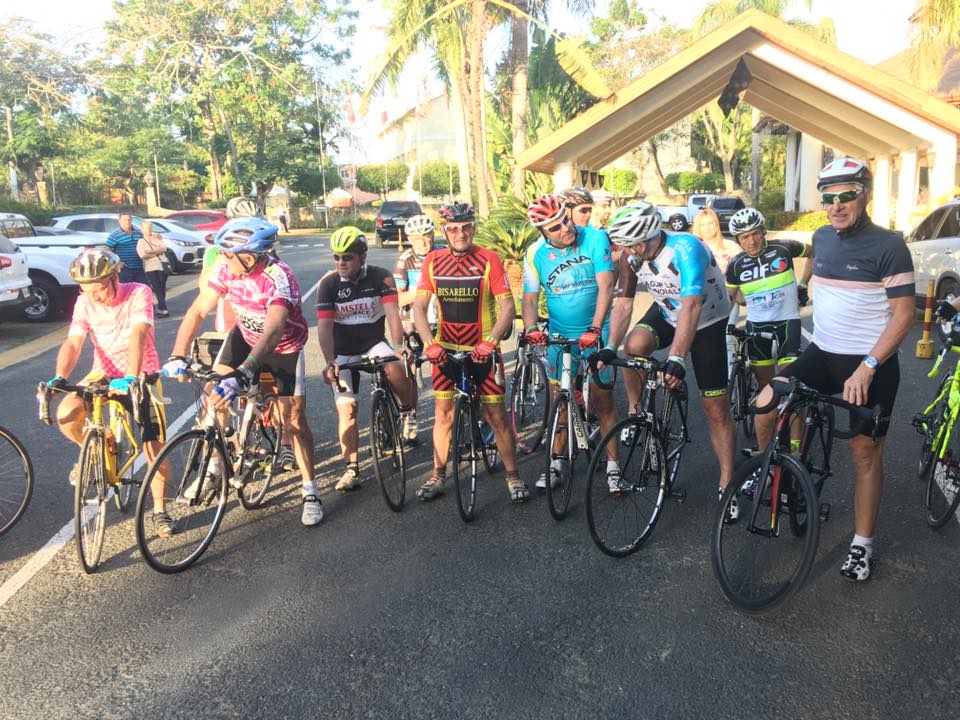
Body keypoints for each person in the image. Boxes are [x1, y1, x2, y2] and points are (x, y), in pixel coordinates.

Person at [753, 157, 915, 582]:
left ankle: (862, 544)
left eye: (847, 196)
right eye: (829, 198)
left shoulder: (889, 244)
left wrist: (867, 366)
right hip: (822, 354)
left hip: (870, 362)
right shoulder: (822, 237)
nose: (836, 205)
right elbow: (812, 279)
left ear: (866, 195)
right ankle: (782, 472)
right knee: (765, 404)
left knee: (863, 453)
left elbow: (903, 315)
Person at [162, 217, 324, 527]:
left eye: (226, 253)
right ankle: (212, 470)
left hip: (282, 348)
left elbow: (275, 329)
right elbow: (198, 310)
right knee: (213, 396)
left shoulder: (279, 277)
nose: (221, 258)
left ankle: (310, 490)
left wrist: (244, 372)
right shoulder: (226, 270)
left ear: (248, 257)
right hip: (244, 336)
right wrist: (177, 354)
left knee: (294, 420)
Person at [597, 202, 737, 518]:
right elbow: (624, 304)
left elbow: (691, 307)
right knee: (632, 348)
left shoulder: (686, 248)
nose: (629, 251)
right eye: (625, 245)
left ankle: (727, 482)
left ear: (647, 236)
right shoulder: (632, 258)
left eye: (633, 244)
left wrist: (676, 359)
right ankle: (638, 410)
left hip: (706, 320)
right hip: (666, 312)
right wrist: (610, 345)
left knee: (715, 408)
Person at [45, 249, 170, 535]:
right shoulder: (84, 302)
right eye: (87, 290)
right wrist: (59, 377)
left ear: (115, 277)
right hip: (102, 372)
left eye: (99, 289)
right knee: (66, 414)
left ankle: (161, 508)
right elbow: (74, 342)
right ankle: (98, 451)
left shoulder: (139, 292)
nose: (95, 296)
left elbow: (139, 334)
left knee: (153, 448)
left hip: (140, 373)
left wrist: (130, 377)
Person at [412, 202, 525, 502]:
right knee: (443, 415)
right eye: (453, 229)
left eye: (466, 227)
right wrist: (429, 344)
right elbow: (419, 309)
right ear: (444, 232)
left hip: (482, 351)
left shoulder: (489, 259)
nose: (460, 234)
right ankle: (438, 475)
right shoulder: (432, 262)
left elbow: (507, 307)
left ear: (473, 228)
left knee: (497, 417)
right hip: (444, 351)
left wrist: (490, 341)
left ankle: (513, 477)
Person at [523, 194, 619, 490]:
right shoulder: (535, 253)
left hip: (594, 332)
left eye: (565, 218)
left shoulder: (595, 238)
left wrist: (595, 327)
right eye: (555, 227)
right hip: (560, 337)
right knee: (559, 402)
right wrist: (530, 328)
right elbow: (529, 297)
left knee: (603, 402)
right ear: (542, 233)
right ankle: (555, 463)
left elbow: (606, 285)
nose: (566, 227)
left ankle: (614, 467)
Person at [317, 226, 415, 491]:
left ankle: (406, 411)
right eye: (336, 257)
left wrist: (397, 346)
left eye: (347, 257)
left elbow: (393, 313)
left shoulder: (381, 277)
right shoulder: (328, 284)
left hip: (374, 344)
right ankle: (352, 468)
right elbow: (324, 327)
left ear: (362, 257)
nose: (340, 263)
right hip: (343, 351)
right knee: (346, 410)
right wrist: (329, 361)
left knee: (397, 368)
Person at [724, 207, 811, 448]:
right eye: (744, 237)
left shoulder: (784, 248)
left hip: (787, 324)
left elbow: (815, 253)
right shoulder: (735, 265)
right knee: (767, 391)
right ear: (738, 240)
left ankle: (795, 445)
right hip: (756, 329)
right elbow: (731, 297)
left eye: (755, 234)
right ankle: (770, 444)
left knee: (789, 387)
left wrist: (804, 282)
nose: (751, 241)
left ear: (763, 232)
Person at [392, 214, 439, 442]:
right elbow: (397, 299)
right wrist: (425, 290)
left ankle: (450, 416)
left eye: (427, 236)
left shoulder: (443, 254)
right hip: (412, 323)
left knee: (445, 370)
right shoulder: (405, 260)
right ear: (409, 239)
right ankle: (410, 416)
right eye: (417, 238)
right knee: (410, 372)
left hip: (441, 321)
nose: (423, 242)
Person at [138, 221, 170, 317]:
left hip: (162, 265)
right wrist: (157, 251)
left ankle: (162, 308)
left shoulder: (157, 238)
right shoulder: (141, 241)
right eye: (146, 228)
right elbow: (142, 254)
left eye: (150, 228)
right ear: (142, 229)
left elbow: (164, 248)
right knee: (157, 288)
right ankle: (163, 309)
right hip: (151, 268)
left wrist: (150, 251)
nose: (148, 230)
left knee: (162, 288)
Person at [108, 213, 148, 285]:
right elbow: (106, 250)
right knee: (127, 292)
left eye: (129, 220)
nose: (127, 222)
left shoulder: (138, 233)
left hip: (139, 267)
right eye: (125, 220)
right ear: (119, 221)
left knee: (143, 289)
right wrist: (117, 262)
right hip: (125, 269)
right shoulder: (115, 235)